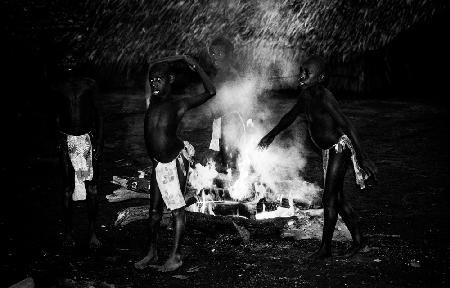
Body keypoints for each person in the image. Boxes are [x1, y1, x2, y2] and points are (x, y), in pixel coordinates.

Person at [257, 55, 377, 259]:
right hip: (328, 151)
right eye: (301, 71)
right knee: (337, 199)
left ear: (320, 78)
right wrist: (271, 135)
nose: (301, 75)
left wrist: (363, 157)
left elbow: (346, 125)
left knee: (329, 198)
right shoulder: (306, 96)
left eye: (307, 73)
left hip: (339, 148)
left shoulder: (324, 97)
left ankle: (325, 249)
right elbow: (290, 116)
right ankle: (358, 240)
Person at [134, 55, 216, 272]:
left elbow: (211, 92)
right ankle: (152, 253)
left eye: (159, 79)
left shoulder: (178, 104)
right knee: (154, 212)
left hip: (174, 162)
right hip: (158, 164)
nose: (154, 83)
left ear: (170, 79)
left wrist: (194, 65)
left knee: (177, 210)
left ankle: (176, 256)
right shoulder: (150, 101)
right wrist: (174, 57)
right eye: (152, 80)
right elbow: (150, 65)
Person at [52, 56, 103, 249]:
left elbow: (98, 114)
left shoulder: (89, 85)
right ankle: (68, 233)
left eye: (73, 59)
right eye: (66, 60)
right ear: (61, 64)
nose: (69, 62)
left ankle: (92, 233)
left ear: (79, 63)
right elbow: (55, 115)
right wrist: (58, 141)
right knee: (67, 189)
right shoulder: (57, 87)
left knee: (92, 188)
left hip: (87, 141)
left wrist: (99, 142)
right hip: (67, 142)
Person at [205, 36, 243, 172]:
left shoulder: (230, 75)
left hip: (230, 122)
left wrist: (213, 111)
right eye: (213, 53)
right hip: (220, 121)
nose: (215, 57)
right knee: (216, 161)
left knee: (229, 160)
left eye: (219, 53)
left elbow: (234, 104)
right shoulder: (220, 74)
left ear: (228, 55)